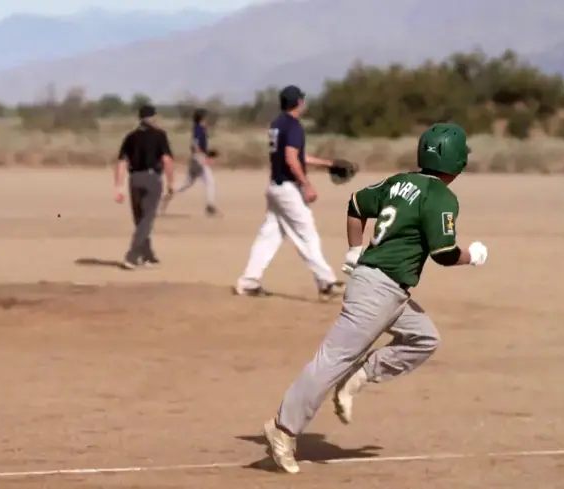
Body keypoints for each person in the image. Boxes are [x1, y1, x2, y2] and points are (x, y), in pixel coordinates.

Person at [260, 122, 489, 474]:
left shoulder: (399, 182)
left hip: (383, 287)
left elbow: (355, 204)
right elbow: (444, 252)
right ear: (456, 161)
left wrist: (354, 250)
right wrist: (472, 255)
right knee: (331, 359)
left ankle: (361, 375)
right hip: (378, 291)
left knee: (424, 338)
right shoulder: (441, 197)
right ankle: (282, 428)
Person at [233, 85, 344, 301]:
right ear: (299, 103)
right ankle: (326, 282)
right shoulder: (293, 126)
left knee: (269, 236)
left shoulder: (278, 124)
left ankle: (249, 282)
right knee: (307, 234)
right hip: (287, 189)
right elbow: (291, 158)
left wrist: (327, 164)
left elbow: (296, 156)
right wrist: (306, 185)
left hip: (275, 186)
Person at [114, 104, 175, 269]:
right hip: (152, 178)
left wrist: (118, 187)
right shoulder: (160, 135)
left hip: (134, 179)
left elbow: (121, 162)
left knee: (140, 219)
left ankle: (148, 255)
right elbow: (167, 160)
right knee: (146, 220)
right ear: (154, 117)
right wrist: (171, 182)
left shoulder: (131, 137)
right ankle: (132, 255)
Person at [159, 108, 220, 216]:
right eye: (205, 116)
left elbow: (199, 144)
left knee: (186, 184)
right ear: (202, 118)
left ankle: (166, 198)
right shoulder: (199, 128)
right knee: (209, 181)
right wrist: (201, 155)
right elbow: (195, 143)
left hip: (196, 158)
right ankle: (210, 206)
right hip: (198, 158)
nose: (207, 118)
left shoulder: (200, 128)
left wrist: (207, 153)